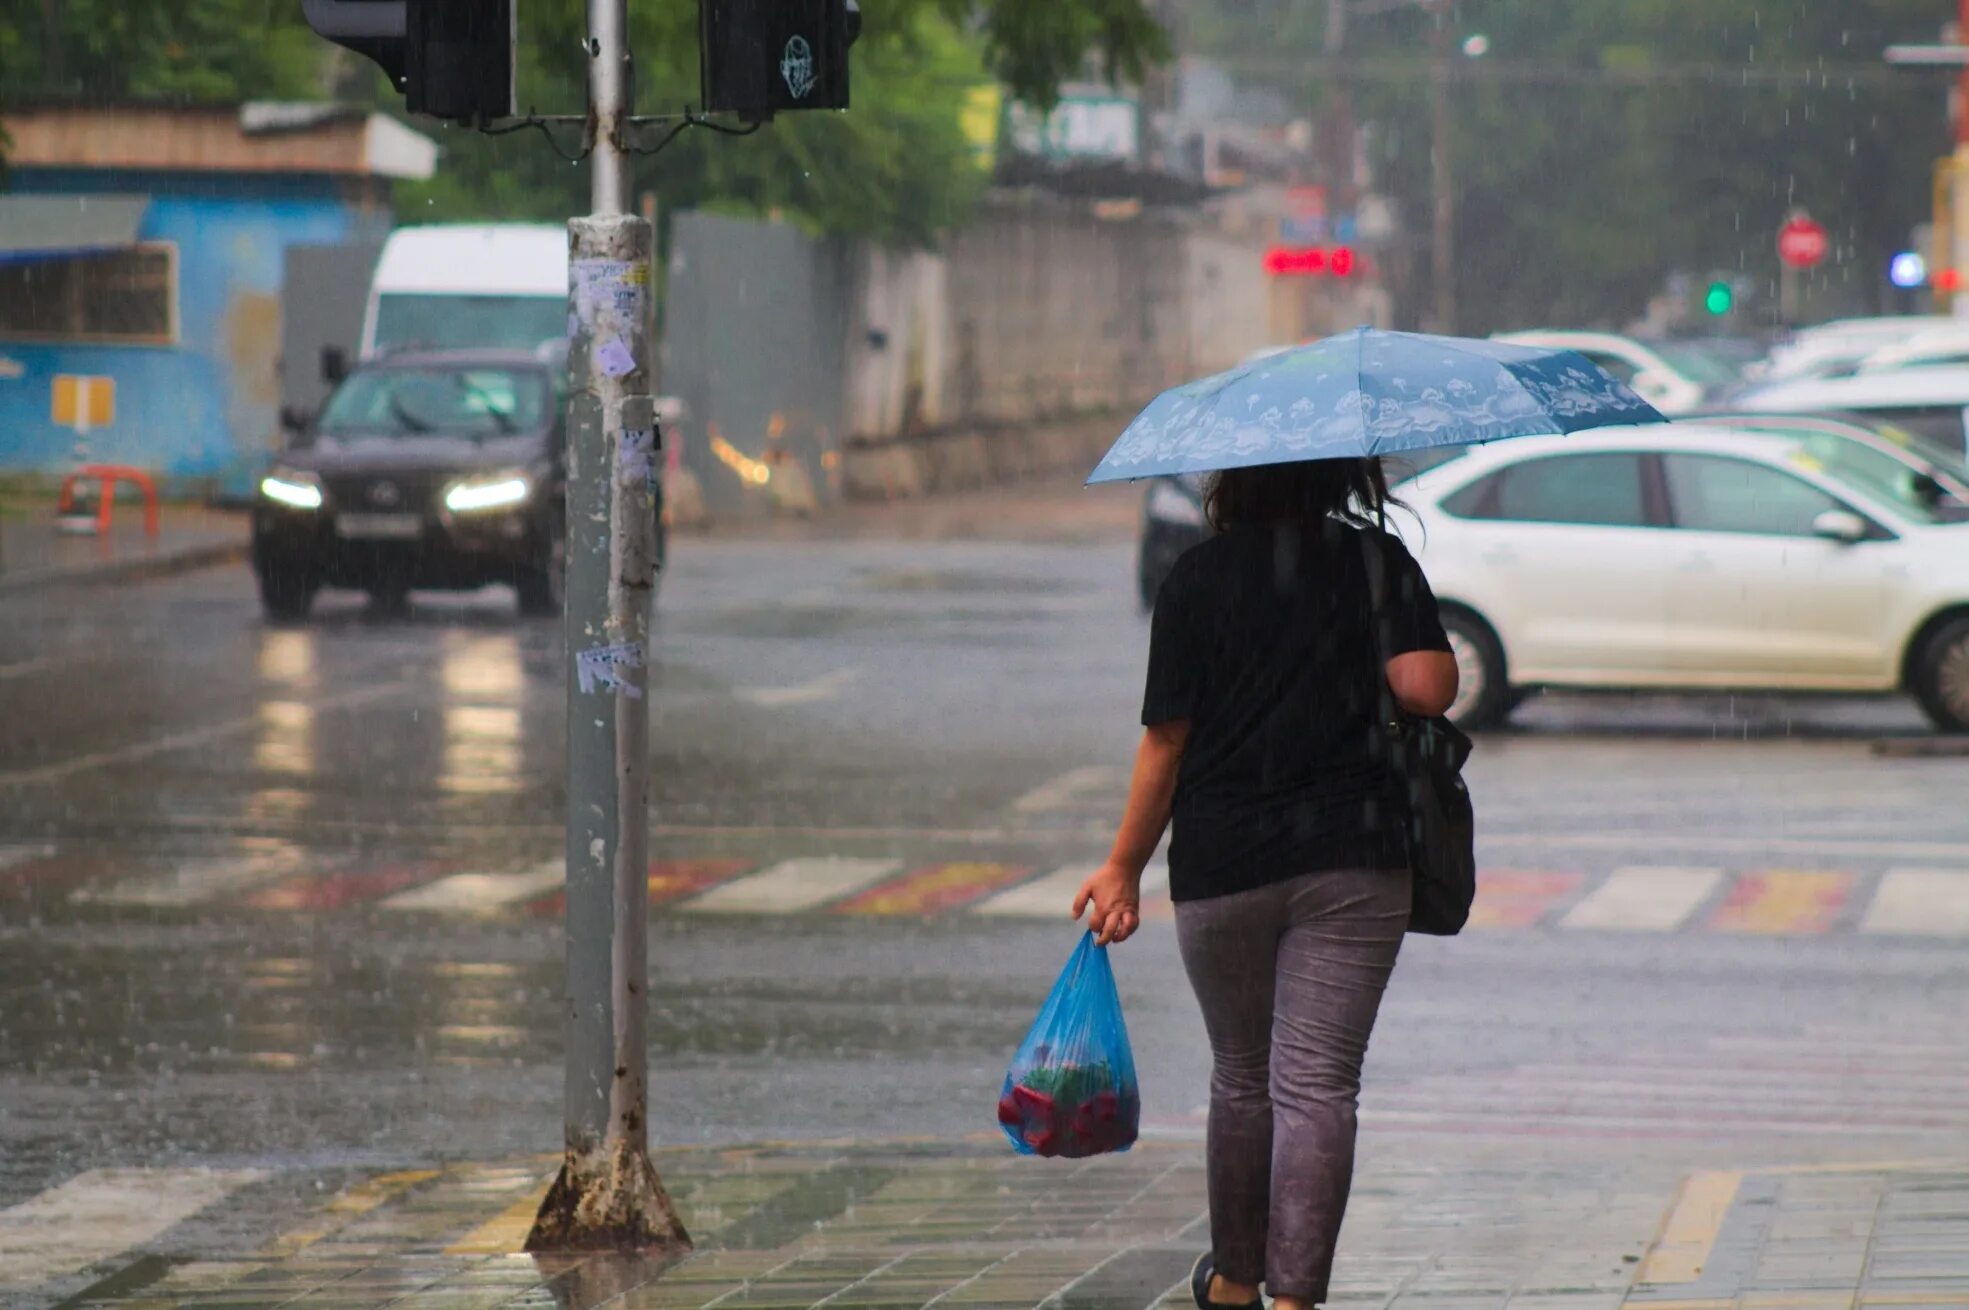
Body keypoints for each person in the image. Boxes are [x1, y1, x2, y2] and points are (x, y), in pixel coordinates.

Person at [1073, 457, 1458, 1310]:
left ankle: (1236, 1282)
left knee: (1242, 1077)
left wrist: (1121, 868)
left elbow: (1165, 741)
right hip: (1351, 853)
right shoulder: (1374, 560)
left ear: (1231, 483)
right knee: (1317, 1083)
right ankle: (1294, 1301)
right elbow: (1425, 689)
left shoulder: (1195, 578)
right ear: (1336, 476)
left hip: (1222, 860)